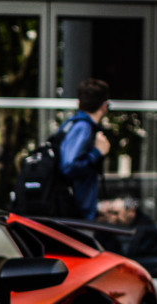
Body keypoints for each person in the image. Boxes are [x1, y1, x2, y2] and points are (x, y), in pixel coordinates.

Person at [59, 78, 113, 220]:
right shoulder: (83, 127)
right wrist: (98, 152)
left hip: (73, 211)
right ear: (104, 106)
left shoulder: (71, 125)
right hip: (75, 214)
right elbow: (69, 167)